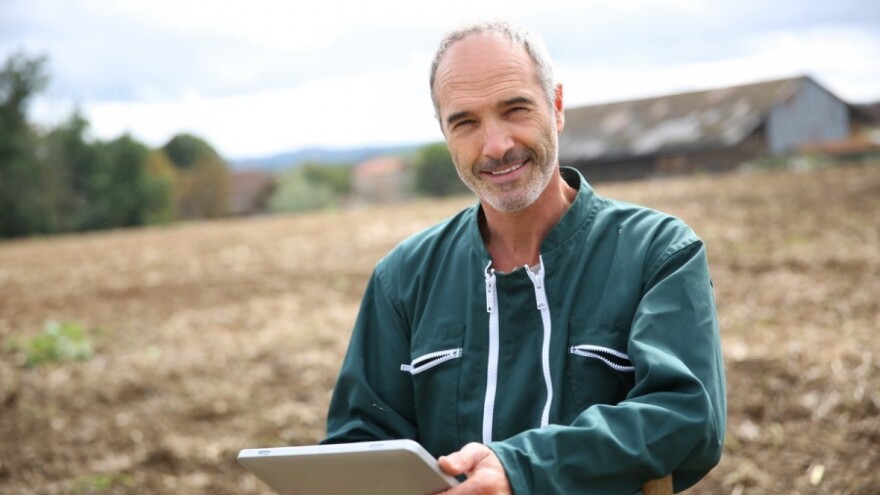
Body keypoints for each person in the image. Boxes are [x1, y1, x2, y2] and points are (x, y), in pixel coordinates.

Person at [322, 20, 726, 494]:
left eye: (515, 109)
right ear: (445, 133)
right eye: (465, 122)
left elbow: (685, 415)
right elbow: (361, 440)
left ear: (556, 106)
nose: (496, 146)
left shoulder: (656, 253)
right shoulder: (403, 278)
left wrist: (520, 470)